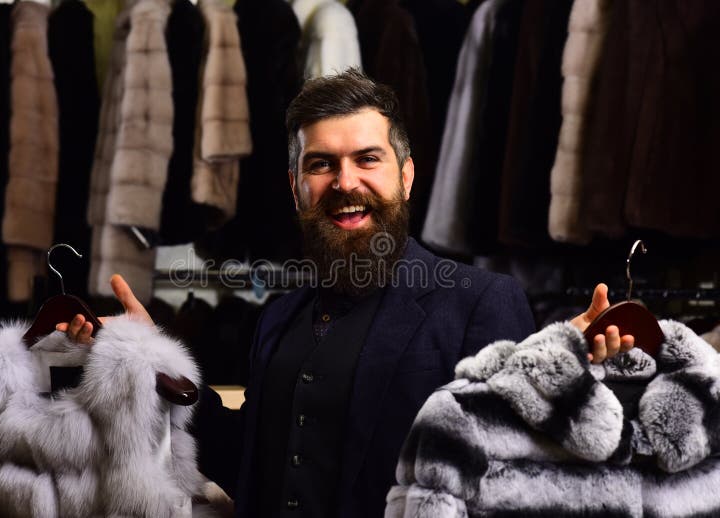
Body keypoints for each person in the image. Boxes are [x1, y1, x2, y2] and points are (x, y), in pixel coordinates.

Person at [59, 69, 633, 517]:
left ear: (405, 176)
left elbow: (514, 479)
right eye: (321, 164)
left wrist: (566, 379)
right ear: (296, 188)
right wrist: (151, 359)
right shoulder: (279, 317)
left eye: (367, 159)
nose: (345, 182)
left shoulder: (479, 301)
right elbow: (251, 465)